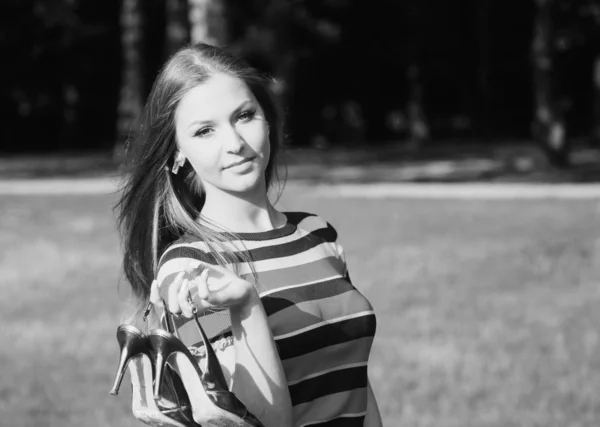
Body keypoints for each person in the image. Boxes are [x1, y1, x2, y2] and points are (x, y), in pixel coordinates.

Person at [115, 42, 382, 427]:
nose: (235, 144)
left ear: (268, 119)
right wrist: (246, 306)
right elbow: (258, 423)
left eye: (244, 116)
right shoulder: (191, 268)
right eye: (205, 131)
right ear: (177, 153)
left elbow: (354, 379)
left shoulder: (317, 234)